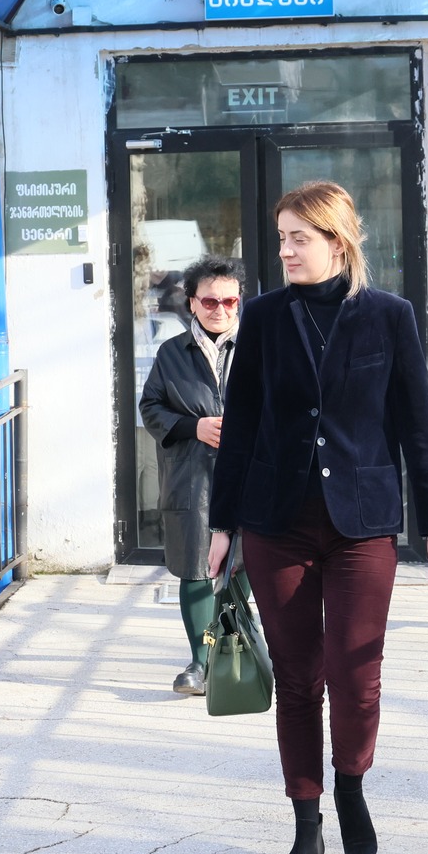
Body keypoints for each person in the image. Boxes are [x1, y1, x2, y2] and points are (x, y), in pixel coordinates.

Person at [206, 181, 428, 854]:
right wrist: (222, 524)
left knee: (356, 673)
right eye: (281, 237)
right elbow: (241, 424)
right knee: (297, 678)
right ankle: (306, 823)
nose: (285, 250)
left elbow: (418, 426)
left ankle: (351, 784)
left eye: (298, 238)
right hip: (277, 524)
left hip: (362, 526)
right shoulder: (263, 317)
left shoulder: (389, 316)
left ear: (337, 241)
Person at [138, 254, 248, 695]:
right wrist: (194, 427)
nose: (220, 309)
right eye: (210, 301)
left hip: (249, 474)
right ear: (192, 303)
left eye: (229, 301)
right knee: (197, 569)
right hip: (193, 477)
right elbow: (150, 408)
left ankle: (235, 655)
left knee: (243, 567)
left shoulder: (258, 347)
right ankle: (200, 663)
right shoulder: (171, 353)